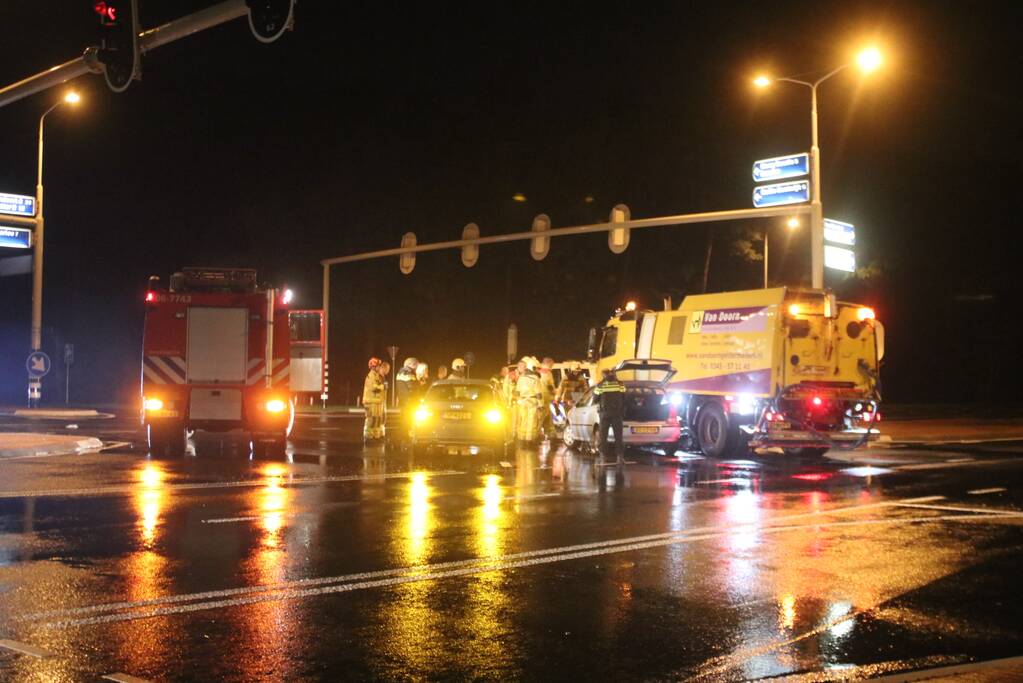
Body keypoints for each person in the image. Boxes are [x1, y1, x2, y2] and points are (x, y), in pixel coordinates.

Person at [593, 367, 626, 463]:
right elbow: (625, 398)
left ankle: (603, 457)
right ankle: (620, 457)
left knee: (603, 435)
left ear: (604, 375)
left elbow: (595, 399)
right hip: (617, 413)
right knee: (618, 435)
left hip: (605, 413)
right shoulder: (620, 384)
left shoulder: (601, 385)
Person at [514, 356, 544, 443]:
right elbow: (538, 393)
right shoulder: (535, 378)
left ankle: (521, 438)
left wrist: (518, 400)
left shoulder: (521, 377)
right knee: (531, 421)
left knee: (523, 420)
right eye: (535, 368)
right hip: (532, 402)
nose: (536, 370)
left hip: (522, 402)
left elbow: (517, 392)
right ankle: (529, 440)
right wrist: (541, 404)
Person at [363, 358, 388, 442]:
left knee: (377, 419)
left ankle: (375, 435)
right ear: (374, 367)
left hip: (376, 401)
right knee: (371, 419)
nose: (379, 367)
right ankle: (369, 436)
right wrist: (383, 387)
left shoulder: (376, 375)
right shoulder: (370, 376)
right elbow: (373, 387)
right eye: (378, 366)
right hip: (371, 402)